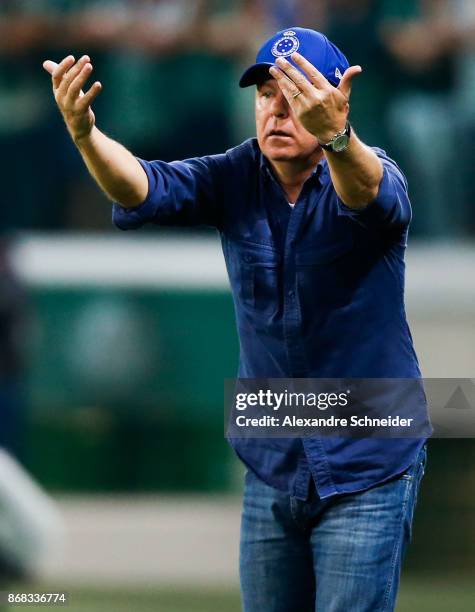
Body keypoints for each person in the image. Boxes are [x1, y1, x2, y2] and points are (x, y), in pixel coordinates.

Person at [43, 26, 428, 612]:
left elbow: (370, 195)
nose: (276, 109)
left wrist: (341, 140)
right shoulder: (236, 175)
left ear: (334, 101)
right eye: (265, 93)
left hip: (368, 462)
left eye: (295, 94)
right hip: (272, 463)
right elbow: (143, 186)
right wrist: (86, 136)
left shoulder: (369, 170)